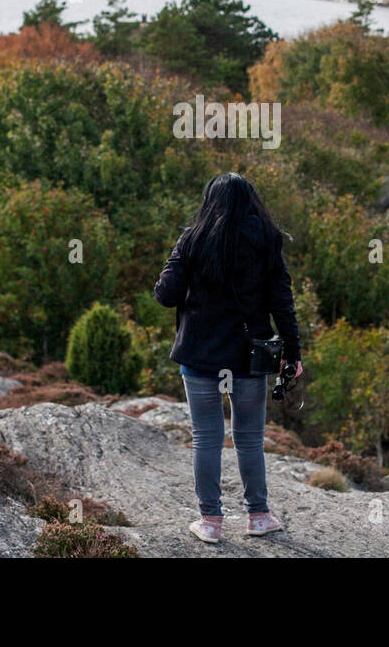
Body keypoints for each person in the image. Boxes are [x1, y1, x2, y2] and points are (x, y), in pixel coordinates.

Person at [154, 172, 302, 544]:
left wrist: (178, 263)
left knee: (206, 438)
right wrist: (293, 353)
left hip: (200, 356)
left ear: (209, 201)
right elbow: (282, 303)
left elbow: (166, 295)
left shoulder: (193, 238)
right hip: (248, 357)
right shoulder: (268, 240)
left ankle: (210, 523)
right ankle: (259, 516)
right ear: (251, 202)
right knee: (249, 439)